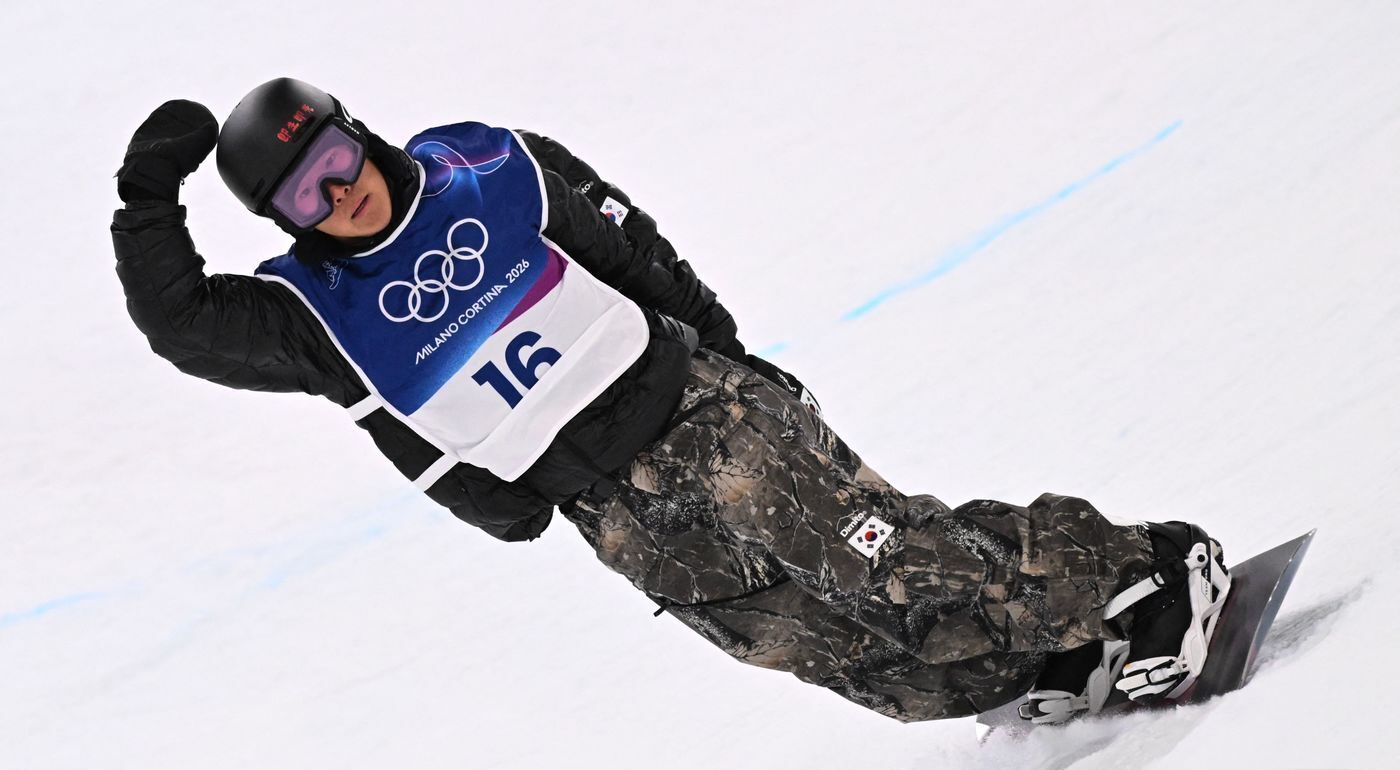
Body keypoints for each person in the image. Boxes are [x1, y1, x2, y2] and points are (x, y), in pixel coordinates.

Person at [112, 78, 1231, 725]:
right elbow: (179, 322)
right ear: (286, 219)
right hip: (609, 508)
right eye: (309, 192)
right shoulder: (309, 313)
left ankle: (1145, 572)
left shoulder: (487, 171)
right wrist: (145, 196)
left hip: (698, 416)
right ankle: (1026, 657)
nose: (342, 191)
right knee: (812, 641)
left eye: (341, 157)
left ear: (361, 131)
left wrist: (736, 361)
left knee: (883, 558)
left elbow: (629, 245)